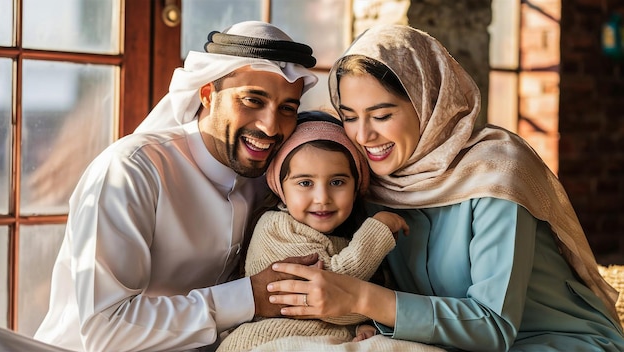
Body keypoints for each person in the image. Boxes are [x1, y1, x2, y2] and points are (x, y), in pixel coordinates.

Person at [264, 24, 624, 351]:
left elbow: (494, 327)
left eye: (383, 115)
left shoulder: (496, 171)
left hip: (555, 343)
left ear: (429, 104)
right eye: (350, 116)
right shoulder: (373, 182)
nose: (363, 135)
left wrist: (361, 299)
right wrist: (371, 323)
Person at [33, 21, 319, 352]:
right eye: (252, 100)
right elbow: (104, 330)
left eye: (287, 108)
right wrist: (250, 297)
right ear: (208, 96)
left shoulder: (269, 177)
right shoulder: (132, 170)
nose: (270, 125)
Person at [215, 110, 409, 351]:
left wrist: (364, 325)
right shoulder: (276, 227)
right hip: (269, 340)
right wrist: (378, 231)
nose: (322, 198)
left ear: (356, 185)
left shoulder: (349, 235)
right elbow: (331, 289)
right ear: (280, 188)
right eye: (305, 183)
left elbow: (360, 300)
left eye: (337, 182)